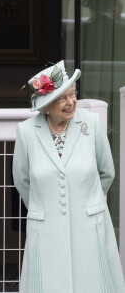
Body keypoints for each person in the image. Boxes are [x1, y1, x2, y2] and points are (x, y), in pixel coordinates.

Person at [13, 60, 125, 293]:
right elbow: (23, 181)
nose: (70, 102)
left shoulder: (91, 124)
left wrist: (85, 199)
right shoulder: (26, 132)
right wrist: (47, 205)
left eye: (72, 94)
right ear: (46, 104)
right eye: (62, 98)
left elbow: (107, 172)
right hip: (46, 228)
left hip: (89, 223)